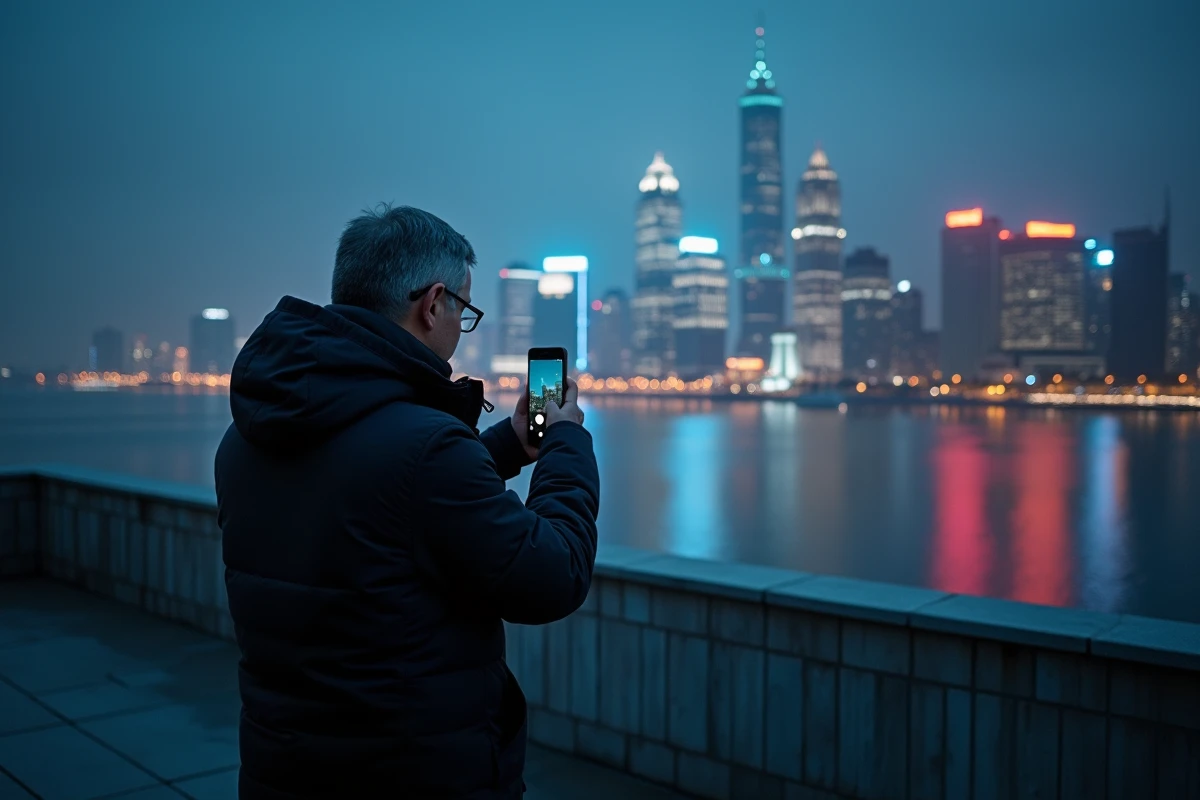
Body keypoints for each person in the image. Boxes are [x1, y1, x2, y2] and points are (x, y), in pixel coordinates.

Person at [215, 204, 599, 799]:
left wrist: (508, 445)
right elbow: (554, 574)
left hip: (283, 764)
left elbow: (376, 502)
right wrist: (564, 443)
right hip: (412, 770)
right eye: (464, 312)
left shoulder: (249, 434)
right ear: (433, 303)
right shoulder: (425, 450)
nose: (459, 327)